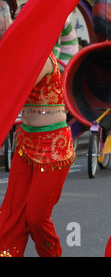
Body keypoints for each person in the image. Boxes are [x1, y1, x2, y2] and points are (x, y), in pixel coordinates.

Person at [0, 37, 74, 256]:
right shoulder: (21, 57)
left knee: (36, 218)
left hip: (52, 147)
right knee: (11, 214)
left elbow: (15, 86)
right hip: (26, 143)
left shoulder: (43, 59)